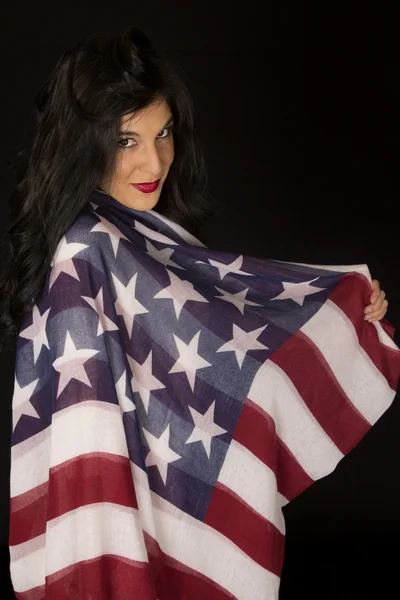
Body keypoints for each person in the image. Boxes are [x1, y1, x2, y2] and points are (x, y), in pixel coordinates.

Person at [1, 25, 397, 600]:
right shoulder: (85, 248)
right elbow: (86, 431)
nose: (155, 160)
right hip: (104, 518)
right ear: (85, 144)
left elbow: (215, 333)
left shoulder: (134, 230)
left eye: (163, 134)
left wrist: (341, 310)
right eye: (126, 140)